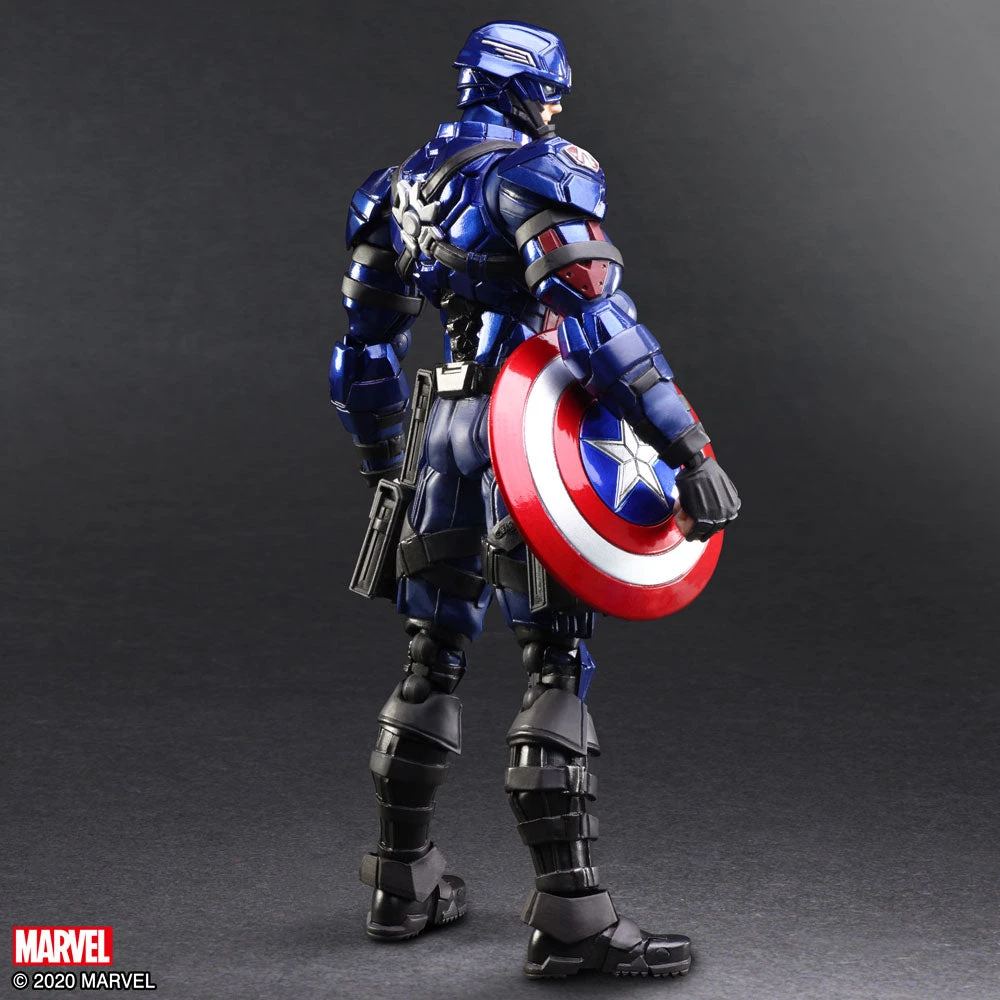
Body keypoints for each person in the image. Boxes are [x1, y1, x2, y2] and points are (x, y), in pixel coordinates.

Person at [331, 20, 740, 979]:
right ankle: (572, 919)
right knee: (555, 663)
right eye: (549, 90)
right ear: (520, 89)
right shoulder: (537, 173)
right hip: (527, 437)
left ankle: (400, 884)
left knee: (431, 659)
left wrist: (384, 462)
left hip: (441, 433)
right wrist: (686, 444)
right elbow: (598, 318)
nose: (556, 107)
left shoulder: (397, 189)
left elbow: (365, 350)